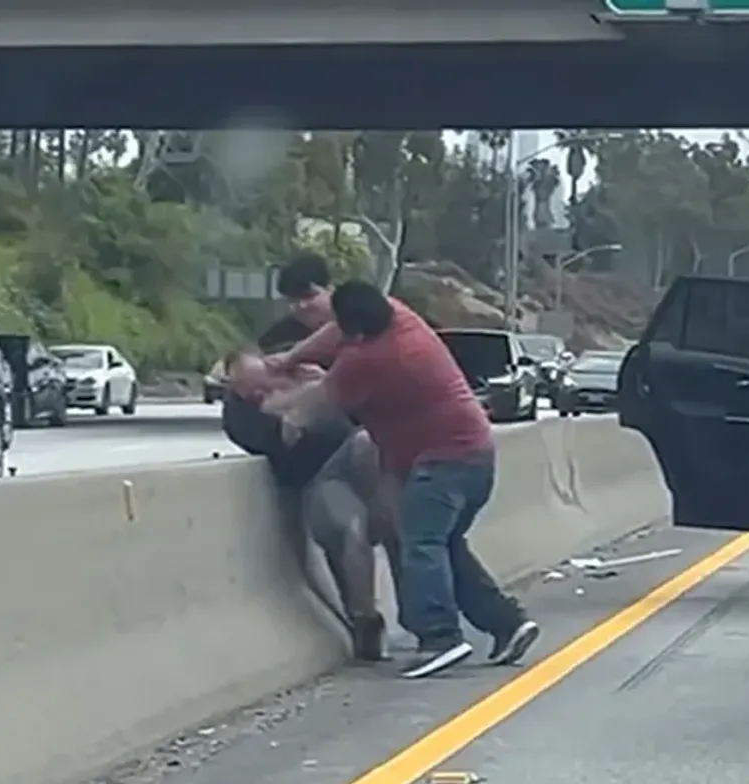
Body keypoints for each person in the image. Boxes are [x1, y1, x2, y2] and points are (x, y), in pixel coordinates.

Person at [277, 280, 540, 679]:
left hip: (443, 462)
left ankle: (440, 637)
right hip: (475, 454)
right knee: (444, 543)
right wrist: (292, 358)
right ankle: (506, 622)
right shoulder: (401, 317)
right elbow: (333, 333)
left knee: (419, 543)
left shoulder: (369, 359)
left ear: (357, 331)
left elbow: (322, 399)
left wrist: (287, 409)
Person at [222, 345, 402, 661]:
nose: (259, 393)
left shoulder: (306, 378)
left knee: (367, 445)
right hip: (315, 476)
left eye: (263, 382)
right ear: (234, 388)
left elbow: (364, 407)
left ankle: (421, 607)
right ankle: (364, 619)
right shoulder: (239, 415)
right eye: (250, 389)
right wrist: (310, 396)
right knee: (347, 531)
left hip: (356, 459)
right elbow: (284, 439)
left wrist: (325, 384)